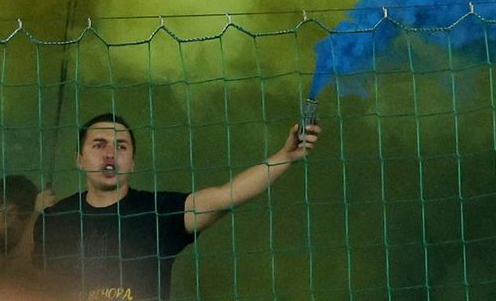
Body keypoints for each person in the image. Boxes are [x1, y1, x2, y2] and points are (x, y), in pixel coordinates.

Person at [34, 112, 320, 300]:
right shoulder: (56, 218)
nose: (110, 154)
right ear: (78, 159)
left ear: (132, 161)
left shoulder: (158, 211)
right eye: (98, 145)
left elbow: (227, 195)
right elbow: (22, 278)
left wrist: (286, 156)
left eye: (121, 146)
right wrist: (36, 216)